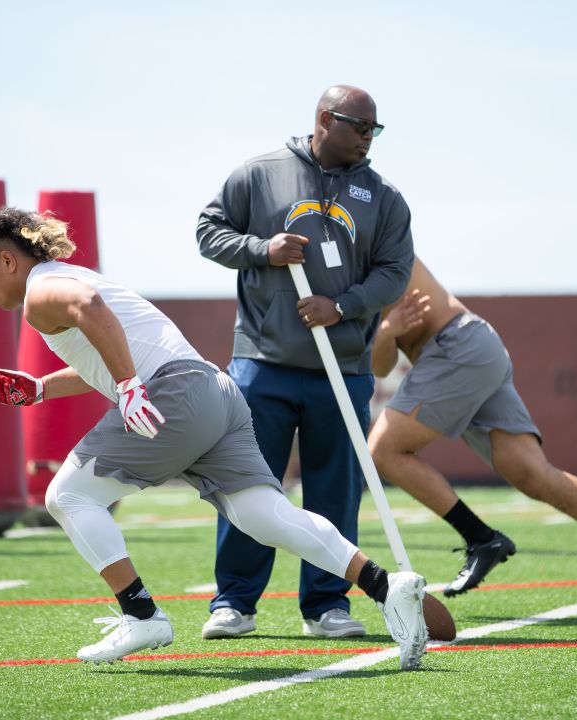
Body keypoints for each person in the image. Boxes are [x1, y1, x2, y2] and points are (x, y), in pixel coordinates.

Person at [0, 207, 428, 669]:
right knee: (262, 515)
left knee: (67, 496)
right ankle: (385, 585)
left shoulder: (42, 290)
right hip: (215, 392)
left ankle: (141, 613)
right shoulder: (66, 278)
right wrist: (42, 388)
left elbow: (91, 311)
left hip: (176, 394)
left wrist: (128, 387)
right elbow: (106, 347)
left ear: (9, 261)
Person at [196, 85, 414, 639]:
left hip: (343, 369)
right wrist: (262, 250)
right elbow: (208, 233)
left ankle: (326, 605)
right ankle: (234, 604)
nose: (369, 137)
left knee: (334, 490)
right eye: (359, 126)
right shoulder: (259, 174)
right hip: (262, 363)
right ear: (324, 119)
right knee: (249, 487)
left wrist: (340, 307)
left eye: (375, 129)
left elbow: (394, 272)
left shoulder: (384, 197)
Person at [367, 257, 577, 616]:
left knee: (384, 451)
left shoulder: (370, 239)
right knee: (531, 472)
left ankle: (481, 538)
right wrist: (388, 332)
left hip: (455, 347)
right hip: (470, 349)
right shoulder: (343, 261)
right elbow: (381, 365)